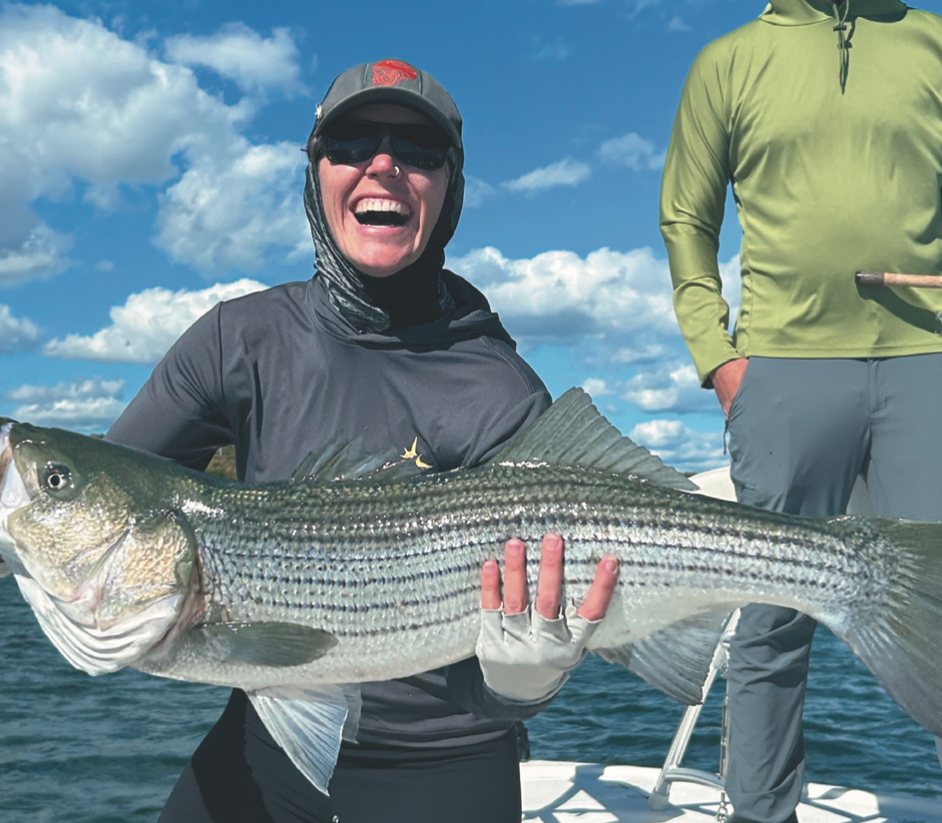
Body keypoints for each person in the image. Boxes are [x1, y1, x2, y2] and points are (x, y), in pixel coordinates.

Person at [102, 59, 617, 823]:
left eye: (418, 150)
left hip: (448, 759)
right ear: (315, 174)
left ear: (450, 189)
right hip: (267, 737)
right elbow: (113, 498)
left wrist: (529, 679)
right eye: (351, 142)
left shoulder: (502, 387)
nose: (384, 164)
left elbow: (504, 687)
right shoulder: (237, 340)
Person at [660, 3, 942, 823]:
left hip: (931, 359)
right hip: (781, 367)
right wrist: (720, 358)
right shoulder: (727, 61)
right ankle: (761, 812)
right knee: (774, 619)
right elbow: (687, 217)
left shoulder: (941, 43)